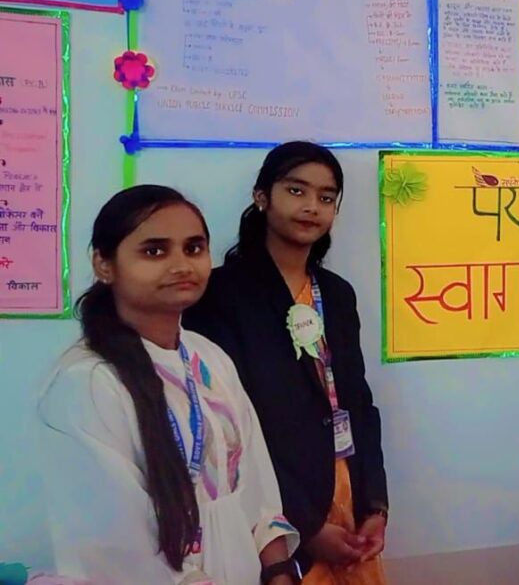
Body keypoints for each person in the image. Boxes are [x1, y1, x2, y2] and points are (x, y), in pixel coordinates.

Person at [39, 185, 300, 584]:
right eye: (154, 251)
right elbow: (113, 547)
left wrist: (280, 573)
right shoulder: (87, 382)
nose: (181, 265)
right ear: (104, 264)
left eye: (193, 248)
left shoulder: (209, 358)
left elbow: (257, 487)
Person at [184, 142, 387, 584]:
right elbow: (229, 425)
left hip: (347, 493)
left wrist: (376, 505)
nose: (312, 206)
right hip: (274, 507)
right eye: (296, 191)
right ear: (262, 197)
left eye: (326, 197)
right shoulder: (220, 295)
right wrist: (305, 527)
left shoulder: (337, 294)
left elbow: (357, 400)